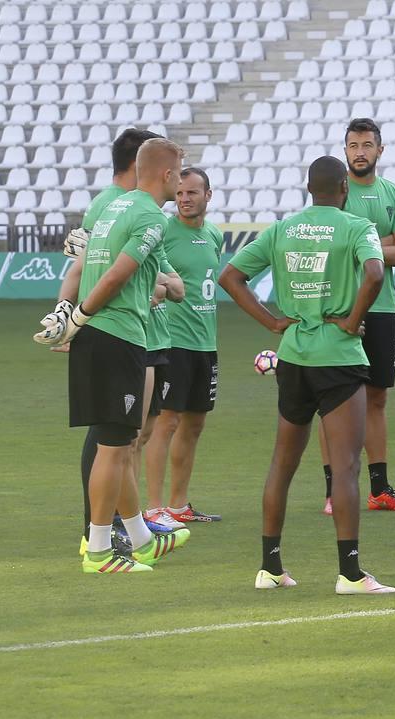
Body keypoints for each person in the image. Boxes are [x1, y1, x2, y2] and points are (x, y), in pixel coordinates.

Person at [219, 155, 395, 595]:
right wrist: (355, 320)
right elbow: (375, 272)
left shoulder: (283, 230)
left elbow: (230, 276)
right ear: (344, 189)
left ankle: (270, 567)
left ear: (307, 187)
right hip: (337, 356)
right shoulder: (356, 227)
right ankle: (350, 574)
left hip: (294, 355)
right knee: (346, 466)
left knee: (282, 463)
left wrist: (272, 323)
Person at [36, 138, 192, 573]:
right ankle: (101, 550)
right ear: (165, 175)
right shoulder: (147, 216)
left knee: (120, 444)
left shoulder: (114, 209)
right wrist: (81, 316)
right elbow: (118, 274)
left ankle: (140, 539)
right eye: (178, 174)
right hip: (114, 335)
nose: (180, 183)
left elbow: (90, 266)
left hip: (101, 339)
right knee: (112, 447)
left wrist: (73, 317)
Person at [318, 117, 395, 514]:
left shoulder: (394, 195)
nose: (360, 152)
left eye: (367, 145)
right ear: (345, 151)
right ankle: (332, 491)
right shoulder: (334, 192)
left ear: (380, 150)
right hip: (341, 309)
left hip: (382, 309)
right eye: (353, 145)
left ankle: (379, 489)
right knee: (333, 403)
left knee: (377, 399)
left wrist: (360, 245)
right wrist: (382, 243)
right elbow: (332, 250)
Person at [147, 166, 225, 525]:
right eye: (179, 193)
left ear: (208, 195)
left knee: (195, 424)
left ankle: (179, 505)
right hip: (172, 341)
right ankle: (154, 507)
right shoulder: (163, 231)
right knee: (166, 423)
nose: (183, 199)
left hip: (205, 343)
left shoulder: (213, 234)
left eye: (192, 192)